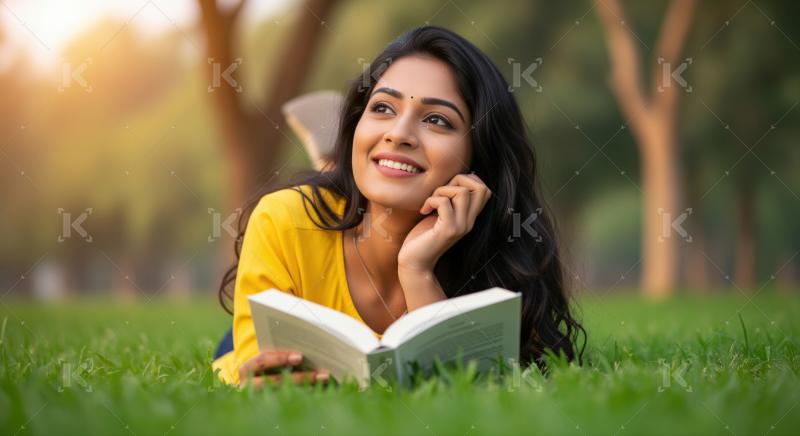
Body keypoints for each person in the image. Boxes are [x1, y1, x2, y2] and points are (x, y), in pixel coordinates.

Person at [211, 25, 585, 388]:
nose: (400, 133)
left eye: (436, 120)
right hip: (292, 304)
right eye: (383, 108)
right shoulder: (283, 219)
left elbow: (461, 392)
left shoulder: (502, 258)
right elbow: (255, 373)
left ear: (479, 156)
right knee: (229, 346)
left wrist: (417, 270)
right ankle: (331, 162)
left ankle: (332, 159)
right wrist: (253, 375)